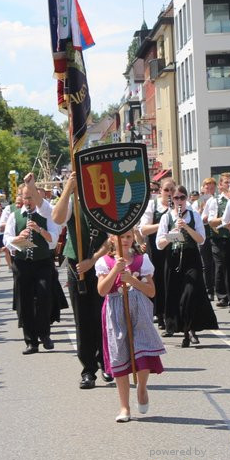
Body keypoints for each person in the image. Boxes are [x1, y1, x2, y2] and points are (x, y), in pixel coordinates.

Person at [96, 231, 165, 423]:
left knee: (142, 350)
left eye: (127, 237)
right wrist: (114, 271)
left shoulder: (142, 260)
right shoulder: (104, 262)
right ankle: (124, 407)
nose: (124, 241)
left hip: (139, 308)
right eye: (119, 237)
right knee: (120, 354)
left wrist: (132, 280)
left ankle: (142, 387)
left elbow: (151, 291)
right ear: (111, 239)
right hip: (115, 310)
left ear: (132, 238)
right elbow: (102, 291)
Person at [53, 174, 109, 390]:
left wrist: (92, 260)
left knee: (103, 317)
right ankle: (88, 370)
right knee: (83, 321)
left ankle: (107, 363)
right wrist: (67, 188)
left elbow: (110, 239)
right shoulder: (71, 202)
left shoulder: (102, 201)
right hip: (77, 268)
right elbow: (57, 219)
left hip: (102, 264)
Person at [155, 185, 217, 348]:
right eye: (176, 198)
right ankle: (184, 330)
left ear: (187, 198)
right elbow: (159, 245)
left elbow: (201, 239)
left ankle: (190, 328)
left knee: (189, 293)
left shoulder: (194, 215)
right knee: (176, 295)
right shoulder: (166, 217)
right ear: (172, 200)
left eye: (182, 197)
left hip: (191, 258)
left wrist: (186, 227)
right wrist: (172, 235)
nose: (179, 201)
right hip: (173, 259)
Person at [3, 184, 61, 354]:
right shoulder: (15, 216)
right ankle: (31, 341)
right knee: (25, 301)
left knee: (44, 297)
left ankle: (45, 335)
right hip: (22, 264)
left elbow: (53, 241)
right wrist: (17, 238)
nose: (28, 201)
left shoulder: (47, 215)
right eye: (25, 198)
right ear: (20, 198)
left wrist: (39, 230)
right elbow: (6, 240)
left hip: (43, 262)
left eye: (31, 197)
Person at [203, 173, 230, 312]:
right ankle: (224, 296)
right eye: (226, 182)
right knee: (223, 267)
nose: (229, 185)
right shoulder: (215, 201)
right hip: (220, 239)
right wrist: (226, 219)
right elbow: (211, 221)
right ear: (220, 185)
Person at [139, 180, 174, 329]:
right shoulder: (152, 205)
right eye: (167, 190)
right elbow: (143, 229)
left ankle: (172, 315)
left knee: (172, 280)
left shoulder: (179, 206)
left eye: (172, 190)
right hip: (155, 249)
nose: (170, 193)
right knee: (158, 281)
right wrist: (163, 224)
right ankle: (159, 315)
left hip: (173, 248)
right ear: (160, 191)